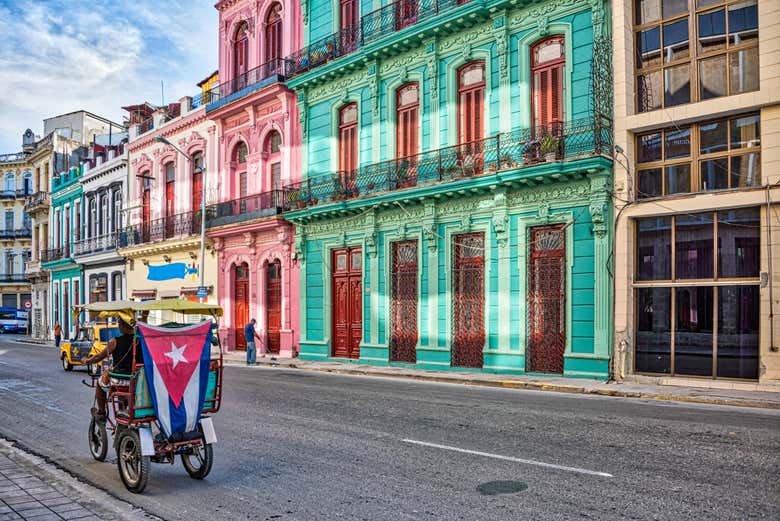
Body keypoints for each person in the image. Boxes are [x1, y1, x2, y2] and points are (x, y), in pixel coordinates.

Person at [84, 319, 143, 422]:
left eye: (119, 323)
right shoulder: (141, 340)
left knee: (100, 383)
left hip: (121, 380)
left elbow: (98, 357)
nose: (118, 326)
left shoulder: (115, 341)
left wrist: (87, 360)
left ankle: (102, 413)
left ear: (124, 326)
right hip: (139, 381)